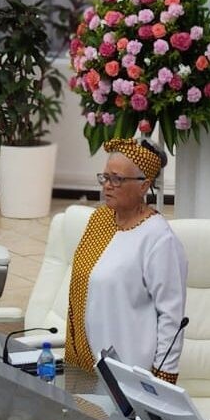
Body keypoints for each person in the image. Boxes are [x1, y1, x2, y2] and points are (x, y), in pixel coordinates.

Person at [65, 138, 187, 383]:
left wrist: (162, 379)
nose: (107, 186)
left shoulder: (158, 238)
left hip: (128, 373)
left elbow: (172, 317)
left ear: (144, 186)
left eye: (117, 179)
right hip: (83, 363)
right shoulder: (100, 220)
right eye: (105, 177)